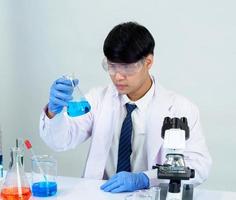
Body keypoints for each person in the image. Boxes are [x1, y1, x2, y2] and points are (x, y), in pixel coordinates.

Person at [39, 21, 212, 193]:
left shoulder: (180, 108)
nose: (118, 77)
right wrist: (54, 112)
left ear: (148, 62)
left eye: (127, 67)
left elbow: (199, 165)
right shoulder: (97, 99)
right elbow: (60, 141)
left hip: (150, 194)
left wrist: (145, 179)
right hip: (103, 194)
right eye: (112, 66)